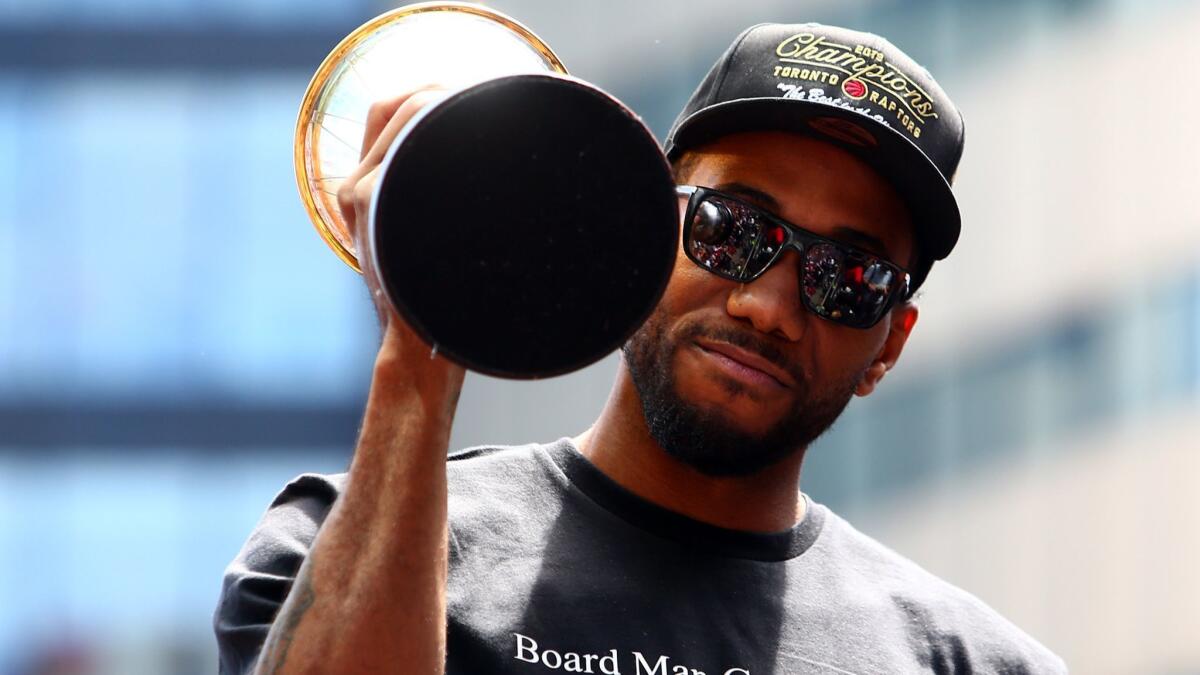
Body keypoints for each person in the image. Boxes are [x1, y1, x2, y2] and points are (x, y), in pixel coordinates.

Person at [215, 22, 1068, 674]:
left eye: (848, 276)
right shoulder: (342, 546)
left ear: (889, 345)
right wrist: (422, 342)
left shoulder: (970, 662)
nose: (768, 304)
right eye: (731, 228)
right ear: (645, 227)